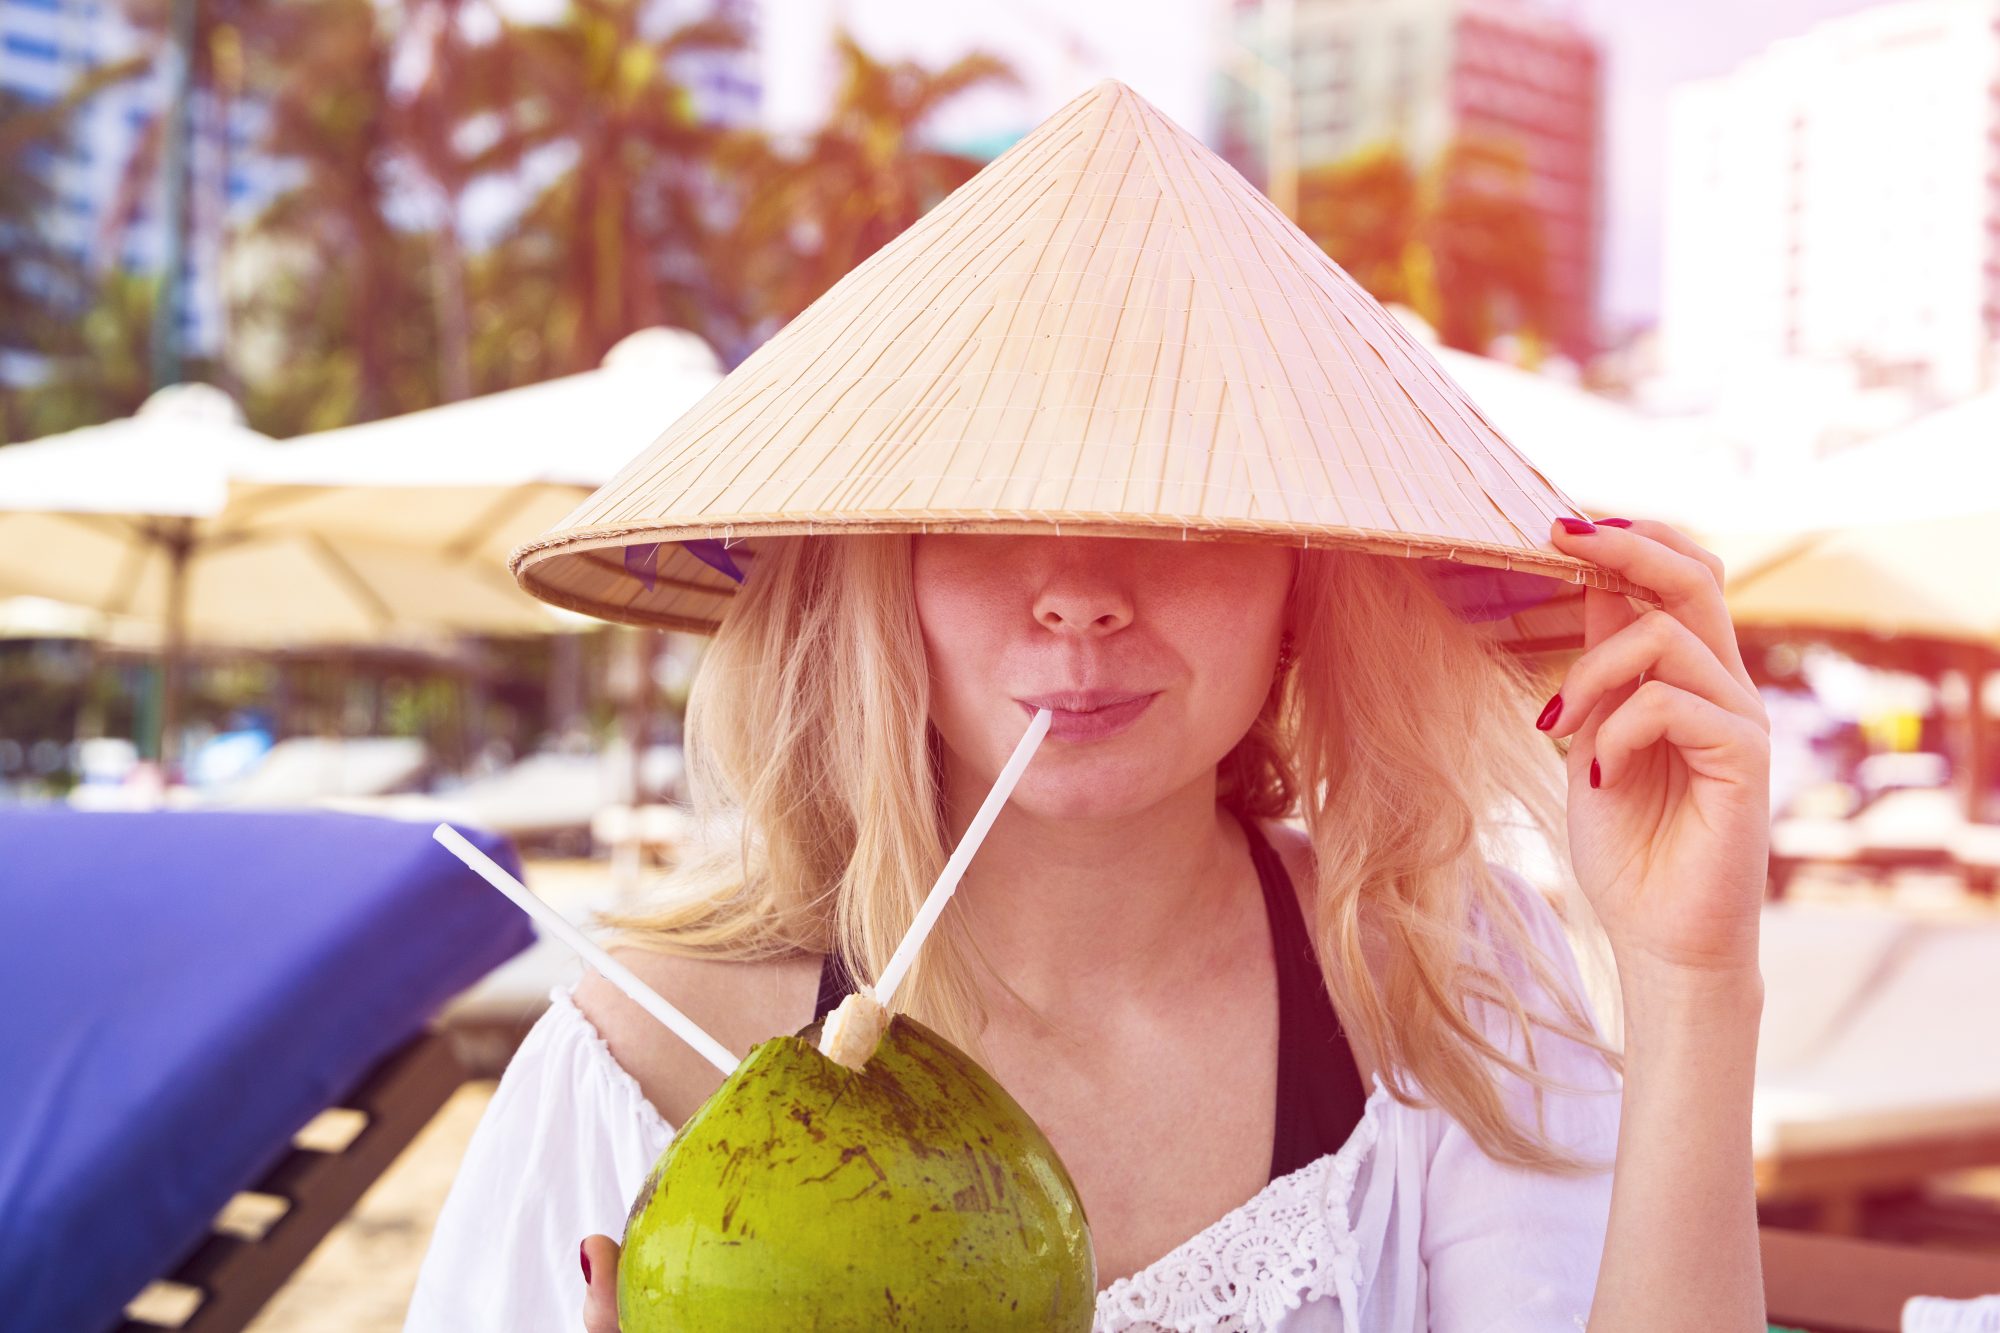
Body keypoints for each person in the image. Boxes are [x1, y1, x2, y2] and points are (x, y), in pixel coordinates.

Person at [404, 517, 1772, 1332]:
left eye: (1179, 508)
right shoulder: (636, 1064)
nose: (1079, 592)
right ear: (878, 561)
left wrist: (1691, 977)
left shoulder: (1439, 978)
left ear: (1301, 566)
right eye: (987, 506)